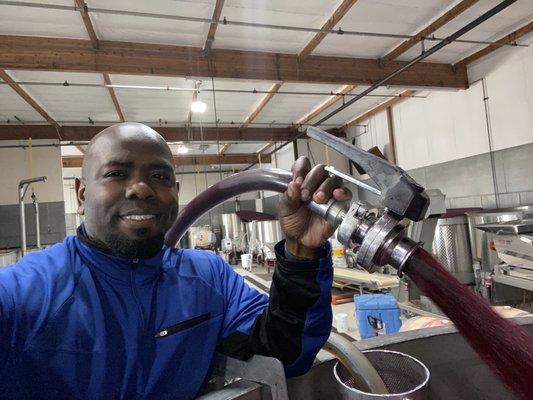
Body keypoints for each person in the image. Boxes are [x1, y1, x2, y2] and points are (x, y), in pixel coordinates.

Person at [0, 122, 351, 399]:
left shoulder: (210, 279)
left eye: (160, 177)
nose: (142, 188)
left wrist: (302, 254)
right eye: (117, 174)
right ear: (81, 194)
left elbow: (285, 352)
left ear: (177, 193)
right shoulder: (28, 291)